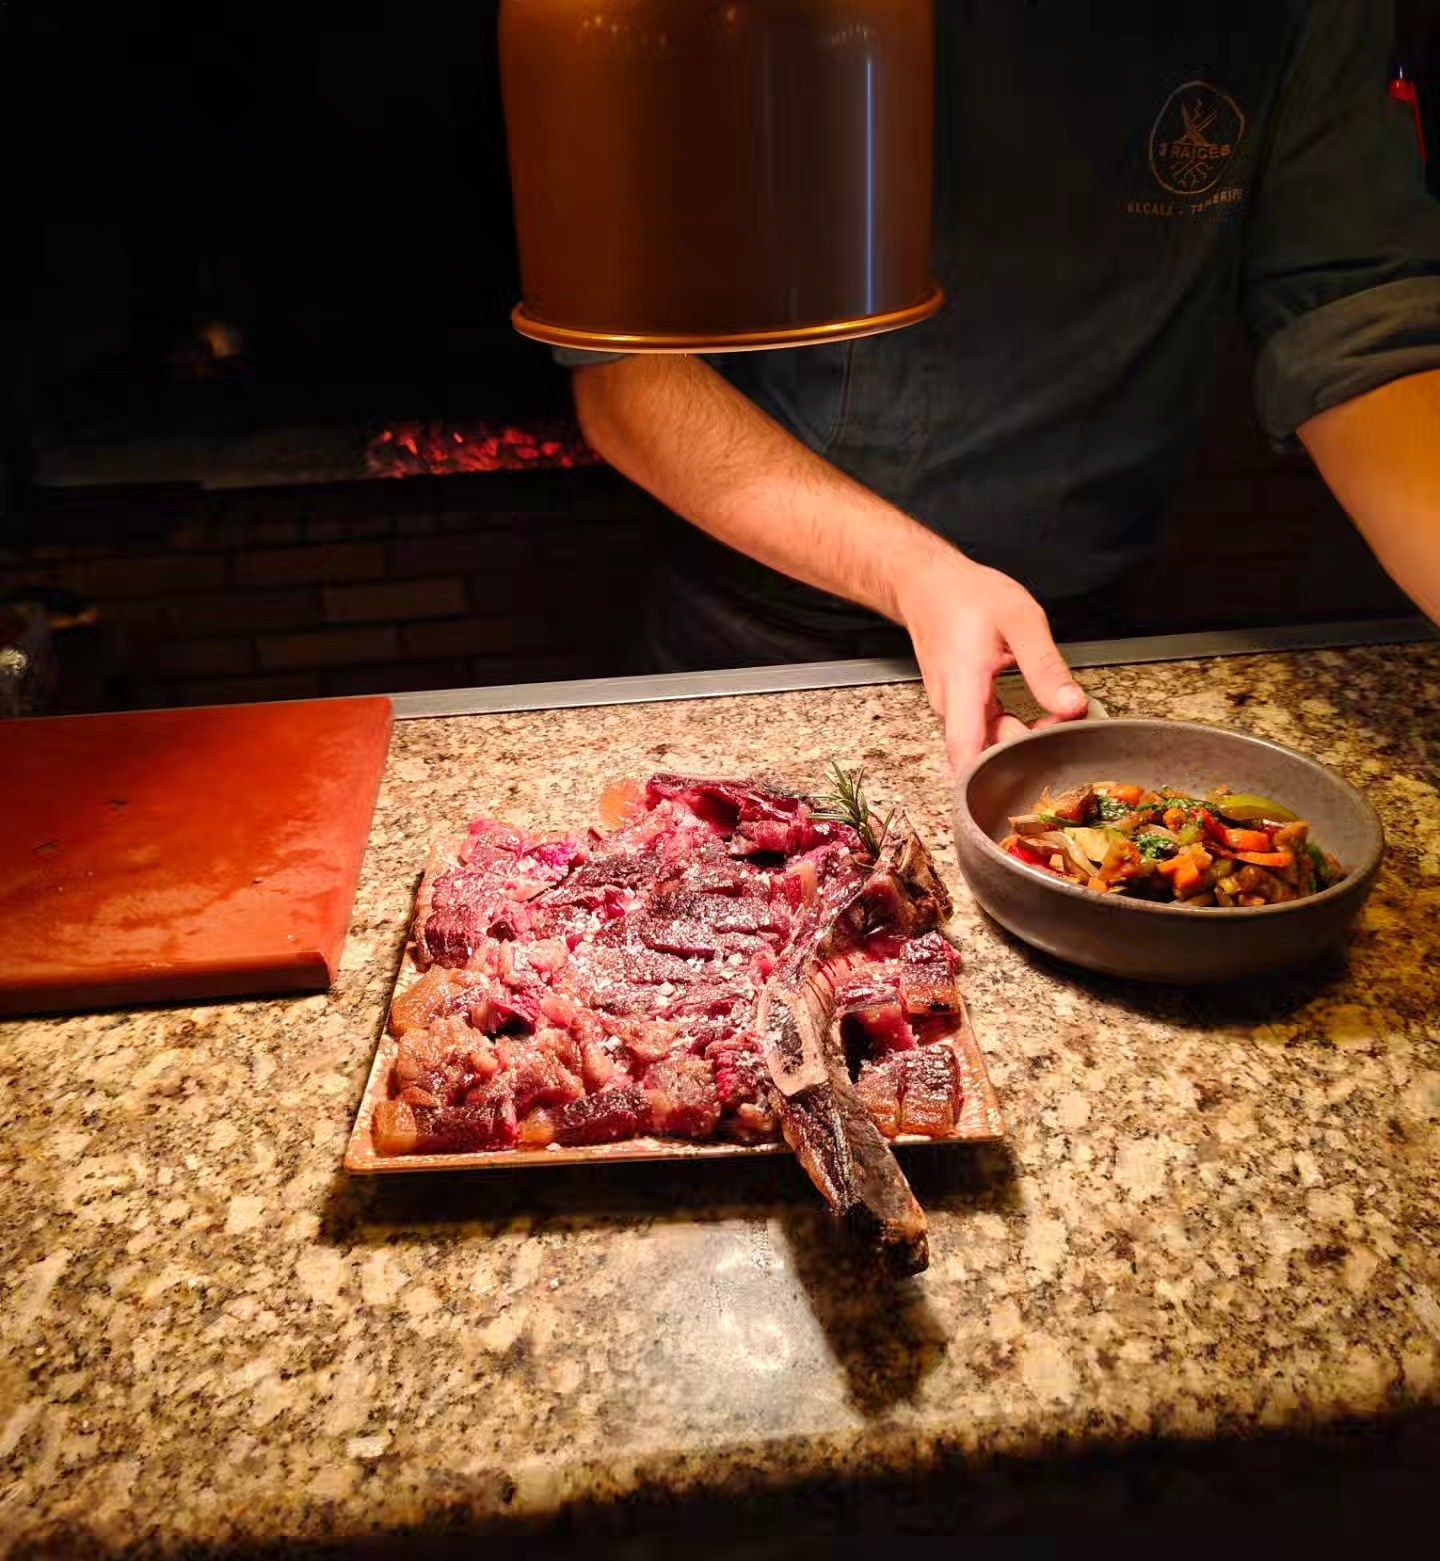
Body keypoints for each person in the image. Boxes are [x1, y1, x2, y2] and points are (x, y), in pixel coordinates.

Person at [559, 0, 1440, 769]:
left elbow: (1357, 310)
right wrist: (912, 570)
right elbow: (626, 383)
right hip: (759, 639)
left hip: (1075, 638)